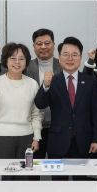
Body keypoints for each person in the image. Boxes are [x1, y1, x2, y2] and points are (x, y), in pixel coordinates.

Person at [34, 36, 97, 158]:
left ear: (80, 58)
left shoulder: (90, 81)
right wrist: (45, 85)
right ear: (59, 58)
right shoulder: (53, 80)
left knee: (82, 171)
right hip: (58, 142)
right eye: (65, 54)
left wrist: (96, 139)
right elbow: (40, 104)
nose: (70, 58)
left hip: (84, 143)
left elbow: (96, 113)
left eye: (74, 55)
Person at [0, 43, 42, 159]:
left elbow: (36, 113)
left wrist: (36, 138)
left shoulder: (32, 84)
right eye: (13, 58)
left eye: (21, 59)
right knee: (1, 170)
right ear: (6, 60)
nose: (17, 62)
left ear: (26, 62)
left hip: (26, 137)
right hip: (0, 137)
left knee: (24, 170)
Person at [25, 28, 61, 157]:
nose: (43, 47)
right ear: (34, 46)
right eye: (39, 43)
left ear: (54, 44)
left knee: (57, 164)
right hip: (33, 127)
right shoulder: (25, 67)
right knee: (33, 164)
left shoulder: (63, 65)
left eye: (47, 43)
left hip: (58, 126)